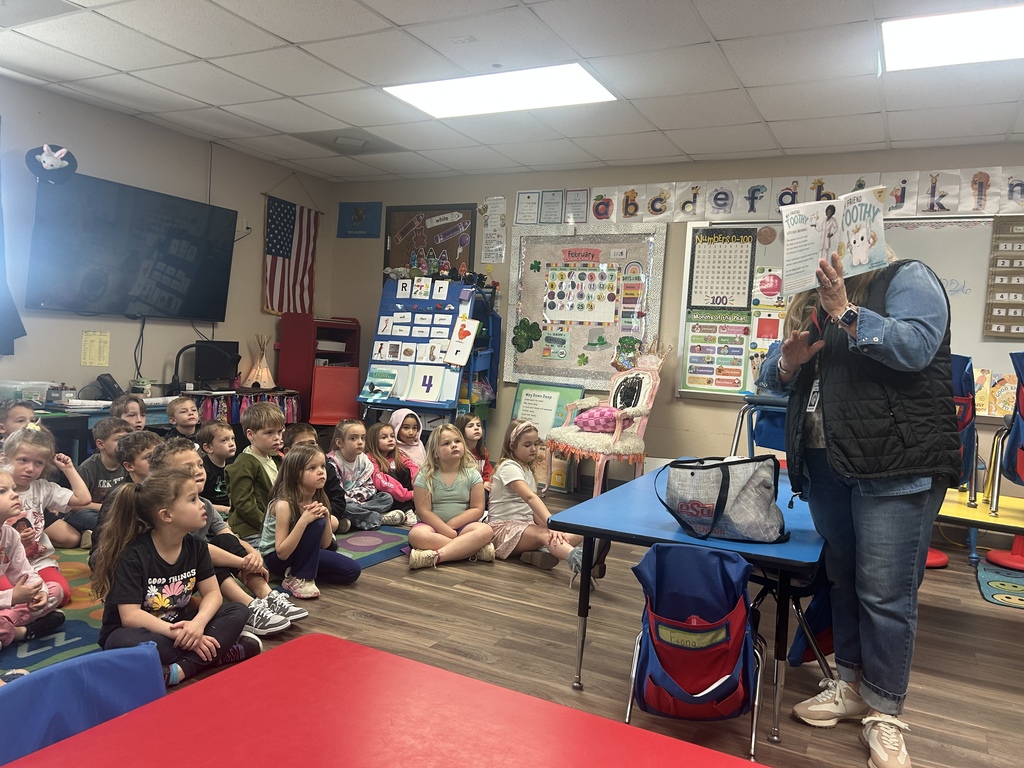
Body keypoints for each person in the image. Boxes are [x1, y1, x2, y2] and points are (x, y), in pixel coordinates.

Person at [756, 251, 961, 768]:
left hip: (894, 461)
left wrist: (847, 311)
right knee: (844, 579)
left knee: (886, 593)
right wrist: (789, 361)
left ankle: (886, 711)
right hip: (827, 462)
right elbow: (771, 375)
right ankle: (849, 683)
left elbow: (916, 347)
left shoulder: (906, 277)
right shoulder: (808, 297)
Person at [90, 466, 261, 687]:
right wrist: (182, 634)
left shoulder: (197, 547)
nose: (202, 504)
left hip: (181, 627)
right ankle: (217, 654)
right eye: (192, 500)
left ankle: (179, 670)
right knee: (140, 646)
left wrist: (197, 625)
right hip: (137, 633)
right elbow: (130, 616)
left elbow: (213, 595)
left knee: (238, 610)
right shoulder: (134, 555)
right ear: (166, 515)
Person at [151, 439, 303, 635]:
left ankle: (267, 596)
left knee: (225, 541)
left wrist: (253, 553)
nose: (198, 471)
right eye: (187, 467)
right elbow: (200, 550)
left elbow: (227, 536)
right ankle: (248, 606)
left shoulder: (204, 504)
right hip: (168, 578)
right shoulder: (169, 512)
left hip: (195, 568)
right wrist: (243, 562)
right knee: (206, 556)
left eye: (199, 464)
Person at [488, 419, 607, 581]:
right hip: (503, 530)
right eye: (527, 445)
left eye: (536, 444)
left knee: (575, 531)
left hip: (524, 528)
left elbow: (531, 510)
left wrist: (553, 529)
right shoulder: (509, 467)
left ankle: (541, 552)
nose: (533, 449)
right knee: (546, 534)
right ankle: (583, 563)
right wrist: (551, 526)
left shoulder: (526, 469)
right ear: (512, 446)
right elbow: (530, 498)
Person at [0, 425, 90, 606]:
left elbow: (83, 499)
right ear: (5, 459)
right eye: (23, 460)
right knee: (11, 594)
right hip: (5, 565)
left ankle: (16, 617)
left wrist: (69, 469)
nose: (30, 468)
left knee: (60, 593)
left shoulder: (42, 488)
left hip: (37, 562)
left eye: (38, 463)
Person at [260, 444, 362, 599]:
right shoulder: (283, 504)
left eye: (322, 466)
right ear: (295, 474)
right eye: (312, 468)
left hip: (303, 553)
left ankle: (296, 575)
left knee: (352, 572)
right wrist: (304, 521)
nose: (321, 471)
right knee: (315, 521)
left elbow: (325, 544)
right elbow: (281, 552)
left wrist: (326, 516)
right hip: (276, 559)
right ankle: (301, 577)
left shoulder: (318, 498)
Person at [408, 424, 493, 570]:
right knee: (416, 535)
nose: (454, 445)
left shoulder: (472, 474)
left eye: (457, 441)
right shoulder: (425, 475)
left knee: (486, 531)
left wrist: (452, 525)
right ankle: (471, 549)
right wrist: (447, 531)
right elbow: (423, 511)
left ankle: (436, 556)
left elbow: (477, 508)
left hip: (463, 526)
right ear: (435, 453)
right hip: (432, 527)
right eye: (446, 443)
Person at [0, 469, 66, 652]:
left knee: (55, 591)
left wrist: (39, 592)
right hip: (6, 600)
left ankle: (6, 628)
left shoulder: (11, 534)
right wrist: (11, 597)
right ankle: (20, 632)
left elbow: (25, 572)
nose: (15, 495)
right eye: (2, 491)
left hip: (5, 605)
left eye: (14, 489)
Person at [89, 430, 163, 569]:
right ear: (129, 466)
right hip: (118, 552)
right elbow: (109, 540)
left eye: (160, 455)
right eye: (149, 457)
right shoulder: (121, 494)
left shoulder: (165, 486)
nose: (157, 460)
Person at [67, 417, 132, 548]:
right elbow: (74, 505)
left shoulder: (128, 465)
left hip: (115, 512)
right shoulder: (88, 468)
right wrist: (104, 508)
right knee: (92, 518)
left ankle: (94, 534)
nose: (125, 444)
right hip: (86, 512)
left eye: (128, 439)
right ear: (100, 444)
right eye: (119, 440)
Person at [226, 402, 285, 545]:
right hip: (252, 529)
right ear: (250, 434)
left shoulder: (276, 458)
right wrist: (270, 527)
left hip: (276, 523)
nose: (277, 437)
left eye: (280, 431)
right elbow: (244, 503)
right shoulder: (244, 463)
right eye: (269, 433)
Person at [326, 420, 403, 530]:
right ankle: (378, 519)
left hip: (360, 500)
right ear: (340, 443)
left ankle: (352, 520)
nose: (360, 442)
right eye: (353, 438)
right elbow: (337, 495)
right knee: (347, 507)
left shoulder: (363, 459)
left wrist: (358, 500)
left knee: (387, 498)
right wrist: (352, 501)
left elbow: (370, 487)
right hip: (343, 502)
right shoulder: (333, 462)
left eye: (362, 438)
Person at [282, 423, 349, 534]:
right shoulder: (287, 472)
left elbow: (338, 497)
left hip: (322, 515)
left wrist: (326, 515)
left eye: (312, 444)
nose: (308, 449)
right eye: (301, 445)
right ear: (288, 452)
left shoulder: (326, 468)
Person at [365, 422, 417, 524]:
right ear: (373, 441)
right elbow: (381, 482)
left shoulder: (397, 455)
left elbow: (413, 467)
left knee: (406, 471)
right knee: (390, 474)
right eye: (384, 437)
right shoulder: (369, 458)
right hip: (382, 494)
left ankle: (408, 510)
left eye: (392, 436)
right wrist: (408, 494)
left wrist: (417, 486)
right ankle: (405, 510)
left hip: (402, 495)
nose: (390, 439)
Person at [197, 418, 235, 517]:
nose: (231, 444)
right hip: (209, 514)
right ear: (208, 448)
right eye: (224, 440)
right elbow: (198, 502)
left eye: (232, 438)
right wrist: (225, 509)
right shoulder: (202, 469)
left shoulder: (232, 465)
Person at [455, 413, 493, 493]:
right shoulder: (459, 453)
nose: (476, 428)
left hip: (480, 487)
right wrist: (481, 484)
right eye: (470, 426)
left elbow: (488, 472)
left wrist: (487, 482)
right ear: (461, 430)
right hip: (464, 489)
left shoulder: (483, 452)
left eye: (478, 425)